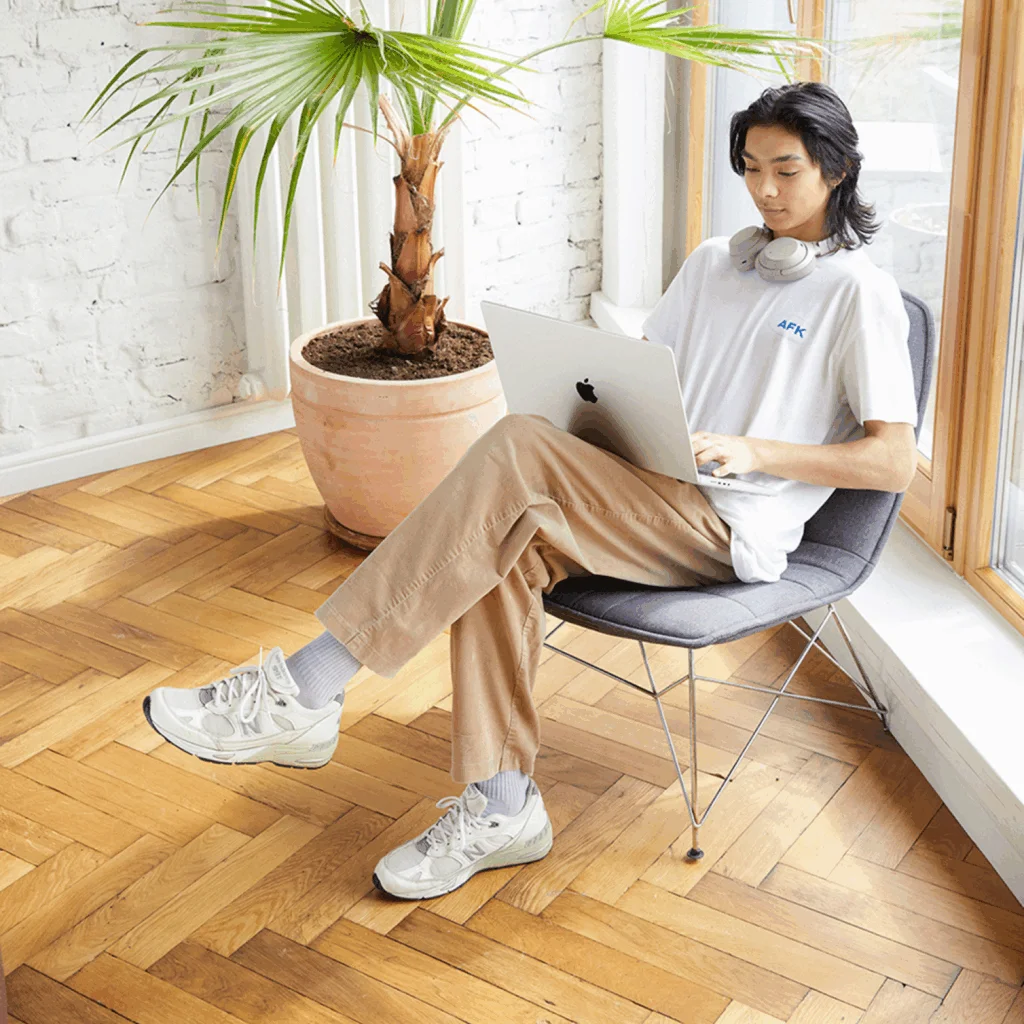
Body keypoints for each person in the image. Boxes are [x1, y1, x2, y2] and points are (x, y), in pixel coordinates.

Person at [142, 80, 919, 900]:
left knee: (514, 452)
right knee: (497, 547)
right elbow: (645, 377)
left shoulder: (857, 296)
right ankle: (502, 806)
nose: (764, 190)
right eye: (752, 168)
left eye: (786, 171)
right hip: (643, 489)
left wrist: (755, 449)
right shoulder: (711, 265)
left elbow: (892, 463)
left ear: (836, 169)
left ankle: (306, 687)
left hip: (727, 525)